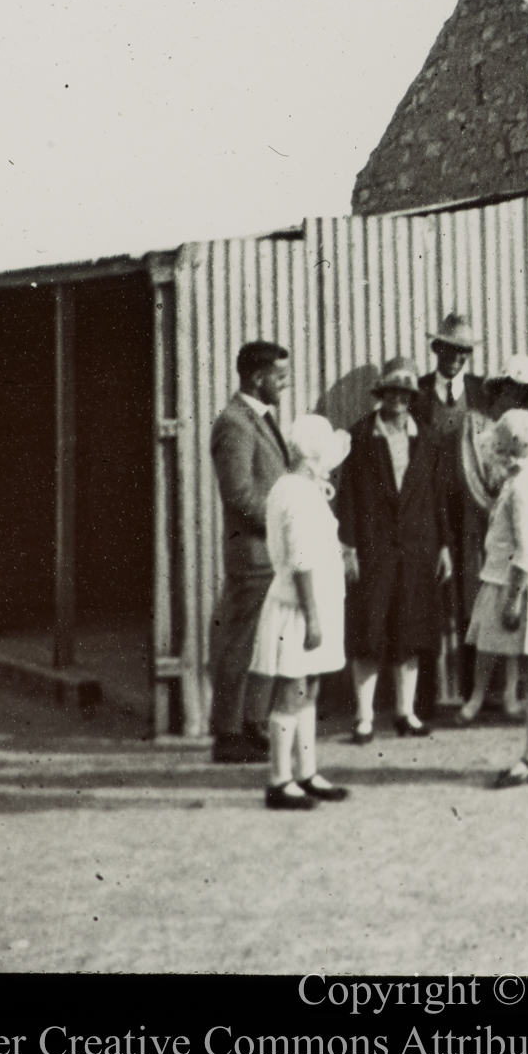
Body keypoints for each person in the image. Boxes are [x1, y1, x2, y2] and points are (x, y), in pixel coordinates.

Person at [335, 358, 453, 743]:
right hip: (374, 549)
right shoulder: (360, 437)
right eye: (391, 393)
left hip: (419, 549)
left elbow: (439, 500)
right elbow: (348, 500)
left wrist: (445, 547)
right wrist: (348, 547)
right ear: (381, 395)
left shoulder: (430, 440)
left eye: (405, 394)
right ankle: (364, 717)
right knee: (369, 630)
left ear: (412, 397)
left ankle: (406, 713)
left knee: (411, 629)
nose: (398, 400)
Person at [248, 414, 353, 810]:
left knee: (309, 689)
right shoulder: (296, 492)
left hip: (312, 604)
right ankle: (279, 779)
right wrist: (312, 616)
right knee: (292, 690)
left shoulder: (298, 487)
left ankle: (306, 771)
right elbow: (301, 559)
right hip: (298, 607)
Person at [463, 410, 528, 787]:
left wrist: (513, 601)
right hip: (522, 584)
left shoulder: (523, 488)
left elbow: (526, 551)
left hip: (522, 586)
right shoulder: (522, 481)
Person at [208, 341, 293, 763]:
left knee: (262, 645)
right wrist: (284, 521)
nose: (285, 382)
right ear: (257, 378)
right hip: (253, 557)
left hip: (269, 556)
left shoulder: (259, 419)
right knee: (240, 644)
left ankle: (250, 724)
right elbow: (239, 495)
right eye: (279, 376)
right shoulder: (235, 424)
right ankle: (227, 734)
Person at [451, 356, 528, 721]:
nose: (512, 397)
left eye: (520, 392)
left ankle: (509, 693)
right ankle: (475, 695)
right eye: (507, 389)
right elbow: (469, 473)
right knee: (485, 612)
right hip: (481, 527)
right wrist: (494, 506)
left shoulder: (527, 429)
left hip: (514, 530)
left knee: (514, 611)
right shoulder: (475, 425)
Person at [412, 312, 486, 433]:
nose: (455, 356)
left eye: (462, 350)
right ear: (436, 348)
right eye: (450, 348)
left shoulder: (481, 390)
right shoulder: (418, 389)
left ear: (468, 354)